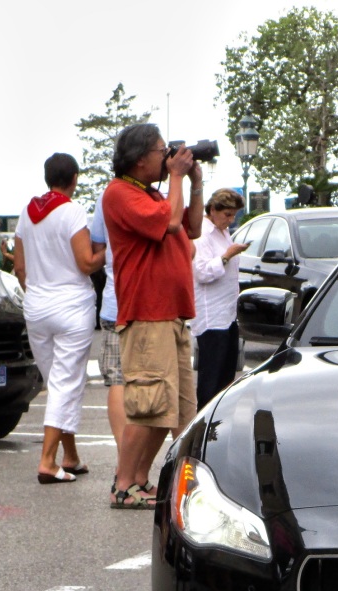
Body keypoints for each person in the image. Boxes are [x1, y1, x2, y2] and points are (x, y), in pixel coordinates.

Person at [101, 122, 203, 509]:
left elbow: (191, 227)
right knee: (147, 406)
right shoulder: (119, 194)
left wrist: (193, 182)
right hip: (147, 315)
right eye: (163, 150)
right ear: (140, 157)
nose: (169, 156)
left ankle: (140, 481)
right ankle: (123, 484)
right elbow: (171, 223)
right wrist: (177, 176)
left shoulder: (154, 194)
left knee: (168, 408)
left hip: (171, 315)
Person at [12, 153, 105, 485]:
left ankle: (71, 455)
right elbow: (85, 262)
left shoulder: (27, 212)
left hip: (36, 304)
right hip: (71, 304)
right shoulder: (72, 210)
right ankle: (48, 461)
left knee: (57, 384)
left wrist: (37, 288)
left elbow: (20, 268)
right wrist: (107, 251)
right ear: (75, 178)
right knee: (66, 384)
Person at [192, 188, 251, 409]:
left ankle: (218, 418)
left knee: (226, 377)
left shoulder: (222, 232)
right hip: (212, 317)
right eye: (227, 214)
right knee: (211, 379)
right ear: (213, 209)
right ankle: (204, 421)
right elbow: (203, 272)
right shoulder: (202, 234)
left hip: (227, 314)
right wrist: (227, 255)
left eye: (233, 215)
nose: (230, 220)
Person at [88, 189, 127, 503]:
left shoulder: (107, 197)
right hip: (149, 303)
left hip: (115, 302)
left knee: (117, 380)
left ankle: (123, 460)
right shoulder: (160, 193)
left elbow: (97, 247)